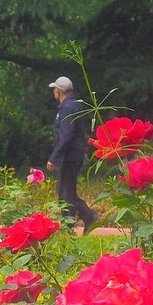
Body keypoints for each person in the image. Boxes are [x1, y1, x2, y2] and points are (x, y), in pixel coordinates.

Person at [45, 76, 98, 230]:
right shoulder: (73, 105)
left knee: (65, 192)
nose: (54, 92)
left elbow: (66, 135)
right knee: (65, 190)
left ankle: (71, 225)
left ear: (58, 91)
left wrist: (54, 157)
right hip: (73, 154)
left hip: (69, 155)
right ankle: (88, 217)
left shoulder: (68, 108)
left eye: (55, 89)